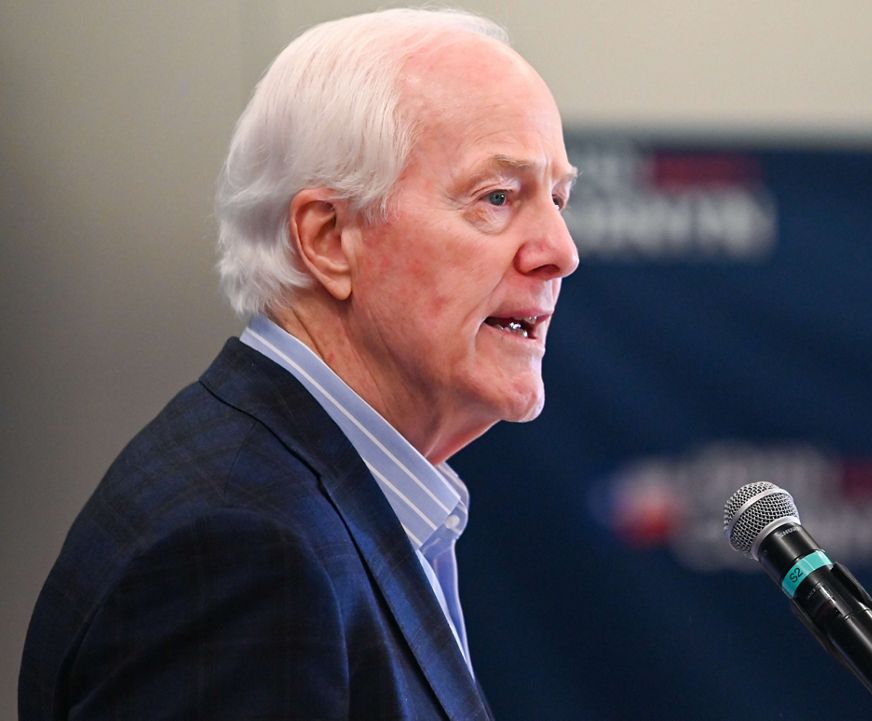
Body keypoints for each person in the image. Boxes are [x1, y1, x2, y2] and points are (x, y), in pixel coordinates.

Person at [19, 8, 578, 720]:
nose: (561, 249)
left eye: (559, 197)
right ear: (329, 239)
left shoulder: (307, 496)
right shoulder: (244, 551)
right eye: (497, 197)